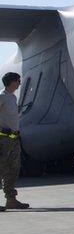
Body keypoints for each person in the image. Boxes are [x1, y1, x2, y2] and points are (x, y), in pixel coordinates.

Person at [0, 72, 29, 211]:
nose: (19, 83)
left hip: (13, 138)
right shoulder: (2, 97)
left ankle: (11, 199)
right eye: (18, 81)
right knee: (1, 168)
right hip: (3, 139)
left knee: (13, 168)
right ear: (12, 82)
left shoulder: (12, 97)